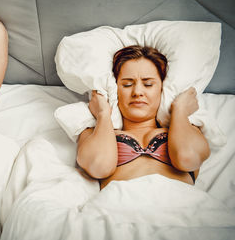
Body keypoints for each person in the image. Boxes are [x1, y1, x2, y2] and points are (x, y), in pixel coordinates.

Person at [77, 45, 210, 189]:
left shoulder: (187, 128)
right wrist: (103, 114)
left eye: (148, 84)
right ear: (115, 90)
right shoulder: (93, 132)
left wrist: (180, 110)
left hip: (180, 205)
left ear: (161, 89)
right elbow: (99, 165)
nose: (137, 92)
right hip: (119, 207)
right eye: (127, 85)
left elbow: (187, 158)